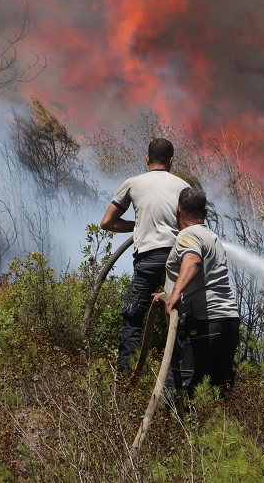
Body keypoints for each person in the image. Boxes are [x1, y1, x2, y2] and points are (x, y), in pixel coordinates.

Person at [101, 138, 190, 374]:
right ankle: (179, 378)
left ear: (147, 159)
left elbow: (107, 222)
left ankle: (126, 374)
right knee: (179, 315)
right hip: (177, 259)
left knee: (132, 314)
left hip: (148, 259)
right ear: (171, 161)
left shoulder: (133, 183)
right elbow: (191, 229)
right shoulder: (184, 187)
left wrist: (139, 225)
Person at [162, 186, 240, 396]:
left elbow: (192, 261)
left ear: (178, 210)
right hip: (228, 322)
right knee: (217, 391)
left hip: (204, 323)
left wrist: (175, 294)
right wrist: (165, 295)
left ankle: (178, 418)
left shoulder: (188, 235)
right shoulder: (211, 237)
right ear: (205, 213)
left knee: (187, 391)